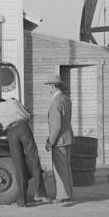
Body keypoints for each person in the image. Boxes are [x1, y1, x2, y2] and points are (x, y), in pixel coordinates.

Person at [0, 97, 44, 207]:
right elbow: (28, 115)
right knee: (33, 159)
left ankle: (22, 201)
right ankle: (40, 193)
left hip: (11, 132)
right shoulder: (13, 102)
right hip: (23, 127)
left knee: (19, 165)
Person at [44, 74, 74, 202]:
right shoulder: (66, 99)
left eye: (48, 86)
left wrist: (50, 141)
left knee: (59, 169)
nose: (48, 89)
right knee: (66, 167)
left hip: (59, 140)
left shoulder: (55, 101)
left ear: (52, 86)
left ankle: (62, 196)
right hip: (67, 137)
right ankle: (68, 193)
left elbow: (56, 126)